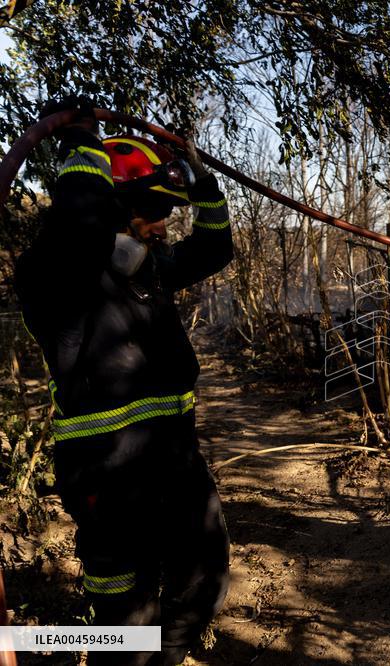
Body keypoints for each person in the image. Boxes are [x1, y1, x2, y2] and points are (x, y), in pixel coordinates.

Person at [15, 97, 233, 665]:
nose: (162, 225)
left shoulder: (147, 269)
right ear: (111, 210)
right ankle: (57, 646)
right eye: (151, 211)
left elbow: (215, 246)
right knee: (124, 615)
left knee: (204, 571)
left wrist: (203, 182)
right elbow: (78, 220)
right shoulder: (58, 277)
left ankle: (156, 657)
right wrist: (82, 142)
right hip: (107, 471)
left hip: (174, 459)